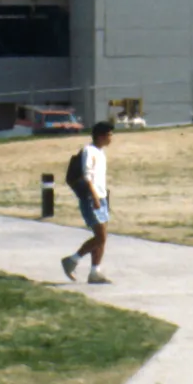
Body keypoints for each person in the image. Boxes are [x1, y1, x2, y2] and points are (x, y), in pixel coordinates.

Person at [62, 122, 115, 285]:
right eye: (109, 134)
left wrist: (103, 196)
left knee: (101, 238)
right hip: (92, 198)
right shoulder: (89, 151)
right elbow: (87, 176)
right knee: (101, 236)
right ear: (101, 136)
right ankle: (72, 260)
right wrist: (94, 196)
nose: (111, 138)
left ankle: (95, 272)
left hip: (101, 197)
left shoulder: (100, 153)